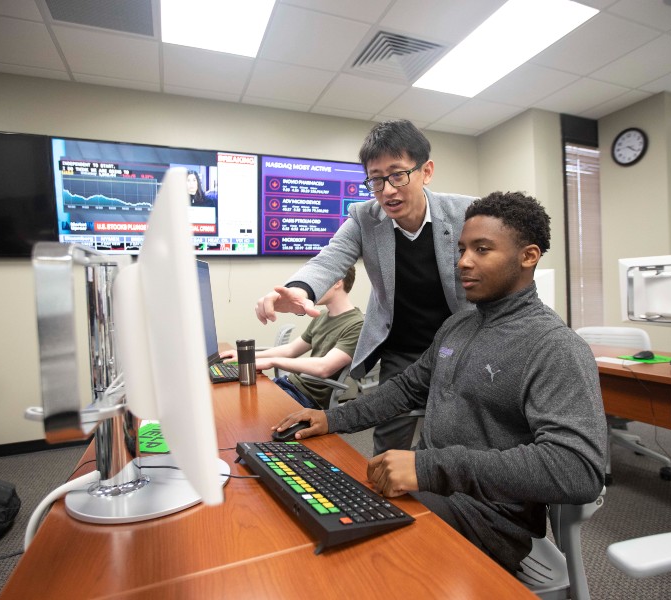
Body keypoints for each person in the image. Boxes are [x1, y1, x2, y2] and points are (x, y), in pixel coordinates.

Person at [271, 191, 607, 574]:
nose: (462, 262)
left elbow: (577, 469)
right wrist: (332, 420)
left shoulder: (555, 347)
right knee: (318, 513)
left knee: (351, 561)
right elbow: (406, 388)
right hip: (430, 489)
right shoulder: (457, 326)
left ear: (528, 256)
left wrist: (430, 467)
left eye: (481, 250)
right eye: (462, 249)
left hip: (487, 518)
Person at [255, 119, 476, 454]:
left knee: (457, 438)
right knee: (388, 443)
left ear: (426, 171)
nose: (387, 190)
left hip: (461, 345)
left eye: (397, 174)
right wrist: (299, 289)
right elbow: (329, 259)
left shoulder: (466, 213)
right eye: (375, 179)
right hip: (402, 349)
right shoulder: (365, 218)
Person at [224, 267, 363, 410]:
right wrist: (245, 356)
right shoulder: (321, 316)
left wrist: (272, 362)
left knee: (238, 408)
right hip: (289, 384)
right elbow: (291, 350)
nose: (312, 289)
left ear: (337, 282)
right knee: (231, 398)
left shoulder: (357, 324)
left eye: (318, 282)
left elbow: (324, 368)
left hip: (308, 398)